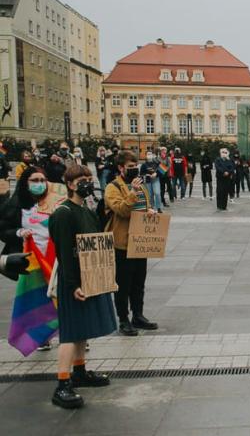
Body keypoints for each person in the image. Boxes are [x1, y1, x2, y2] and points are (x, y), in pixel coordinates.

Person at [48, 164, 116, 408]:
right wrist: (72, 284)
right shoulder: (64, 213)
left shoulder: (85, 210)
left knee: (81, 330)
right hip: (72, 281)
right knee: (69, 332)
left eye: (89, 178)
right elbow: (65, 252)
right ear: (69, 184)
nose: (87, 182)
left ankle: (79, 371)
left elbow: (96, 243)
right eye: (81, 179)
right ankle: (62, 384)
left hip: (88, 277)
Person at [0, 166, 60, 352]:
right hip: (31, 259)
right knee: (36, 300)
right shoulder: (15, 204)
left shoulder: (53, 201)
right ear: (25, 183)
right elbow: (3, 230)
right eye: (35, 180)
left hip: (54, 256)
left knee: (61, 295)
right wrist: (19, 233)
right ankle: (40, 336)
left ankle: (71, 332)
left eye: (43, 180)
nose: (39, 184)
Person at [105, 150, 158, 336]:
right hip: (122, 242)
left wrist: (150, 211)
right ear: (120, 168)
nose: (134, 170)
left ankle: (138, 315)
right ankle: (123, 319)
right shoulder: (113, 187)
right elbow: (121, 210)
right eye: (129, 167)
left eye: (135, 166)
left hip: (139, 241)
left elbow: (144, 206)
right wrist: (133, 192)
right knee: (123, 284)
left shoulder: (140, 186)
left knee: (138, 282)